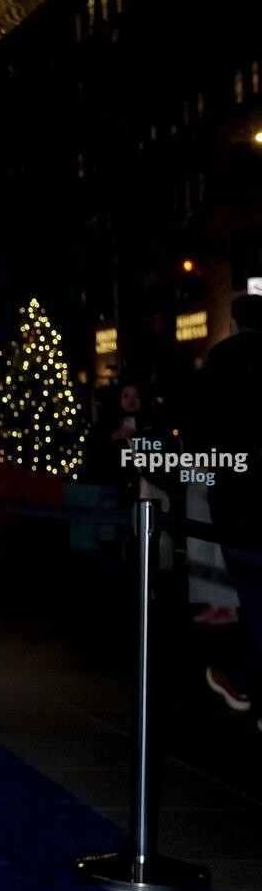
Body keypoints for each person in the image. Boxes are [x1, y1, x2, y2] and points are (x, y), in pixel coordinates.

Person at [197, 295, 262, 722]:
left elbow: (203, 424)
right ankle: (241, 678)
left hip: (240, 494)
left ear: (235, 323)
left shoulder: (223, 359)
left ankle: (243, 680)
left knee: (253, 593)